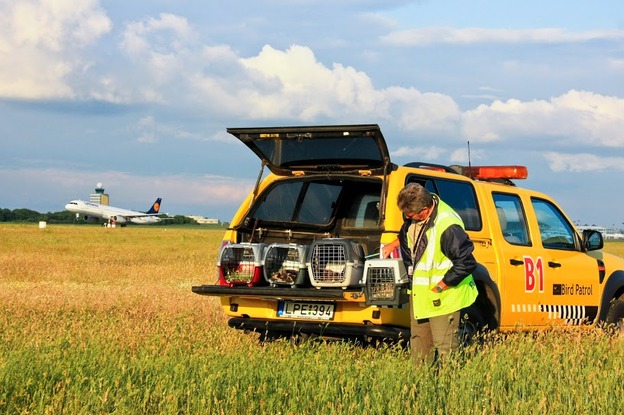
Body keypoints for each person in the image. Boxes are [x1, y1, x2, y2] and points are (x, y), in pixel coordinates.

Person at [381, 183, 478, 365]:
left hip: (444, 296)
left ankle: (450, 389)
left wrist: (442, 285)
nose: (407, 218)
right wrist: (394, 244)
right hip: (421, 296)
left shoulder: (448, 225)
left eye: (410, 215)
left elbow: (467, 262)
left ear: (425, 210)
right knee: (419, 347)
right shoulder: (414, 217)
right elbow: (410, 235)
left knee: (446, 349)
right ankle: (421, 387)